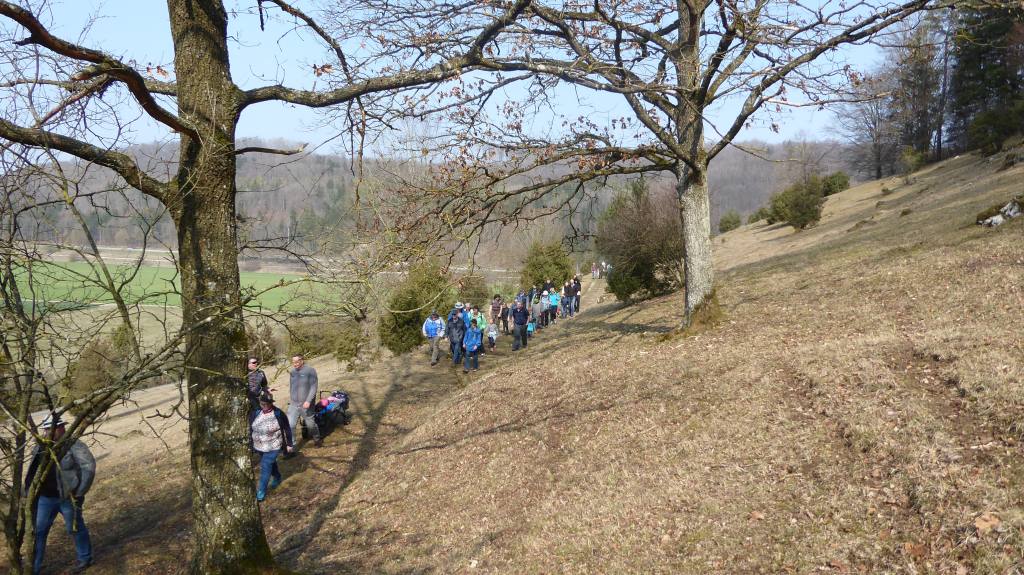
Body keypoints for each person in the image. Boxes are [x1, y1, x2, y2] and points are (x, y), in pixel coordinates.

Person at [25, 415, 95, 575]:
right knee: (39, 531)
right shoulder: (40, 446)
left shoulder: (74, 444)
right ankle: (33, 567)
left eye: (53, 428)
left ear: (62, 427)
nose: (48, 432)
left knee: (74, 528)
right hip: (45, 498)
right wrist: (28, 492)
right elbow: (32, 471)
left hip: (68, 498)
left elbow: (88, 467)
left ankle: (85, 558)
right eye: (46, 429)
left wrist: (79, 491)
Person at [249, 393, 293, 502]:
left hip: (273, 446)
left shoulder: (278, 413)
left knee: (265, 466)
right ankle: (277, 477)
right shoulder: (256, 413)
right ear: (260, 403)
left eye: (268, 404)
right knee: (270, 464)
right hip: (259, 446)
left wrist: (289, 444)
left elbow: (287, 428)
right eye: (263, 404)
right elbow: (251, 428)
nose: (265, 406)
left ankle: (261, 491)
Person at [287, 354, 321, 448]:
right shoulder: (292, 372)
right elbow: (292, 386)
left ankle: (317, 439)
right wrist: (292, 398)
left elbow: (313, 387)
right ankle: (292, 447)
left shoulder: (310, 370)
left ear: (302, 360)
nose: (295, 364)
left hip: (306, 404)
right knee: (290, 425)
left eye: (296, 362)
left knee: (310, 425)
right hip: (294, 404)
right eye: (293, 362)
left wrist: (308, 401)